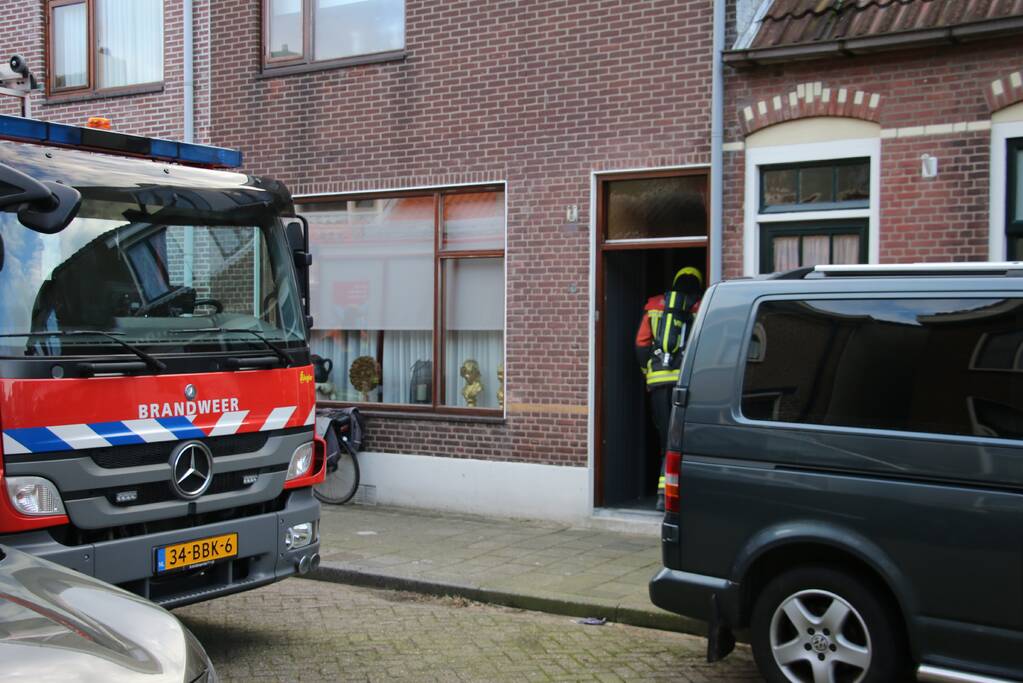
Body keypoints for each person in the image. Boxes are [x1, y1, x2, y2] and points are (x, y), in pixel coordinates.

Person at [635, 266, 703, 511]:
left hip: (658, 384)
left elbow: (641, 344)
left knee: (666, 441)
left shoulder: (654, 306)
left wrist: (648, 374)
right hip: (685, 385)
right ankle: (681, 495)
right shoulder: (701, 306)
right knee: (684, 440)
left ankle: (663, 496)